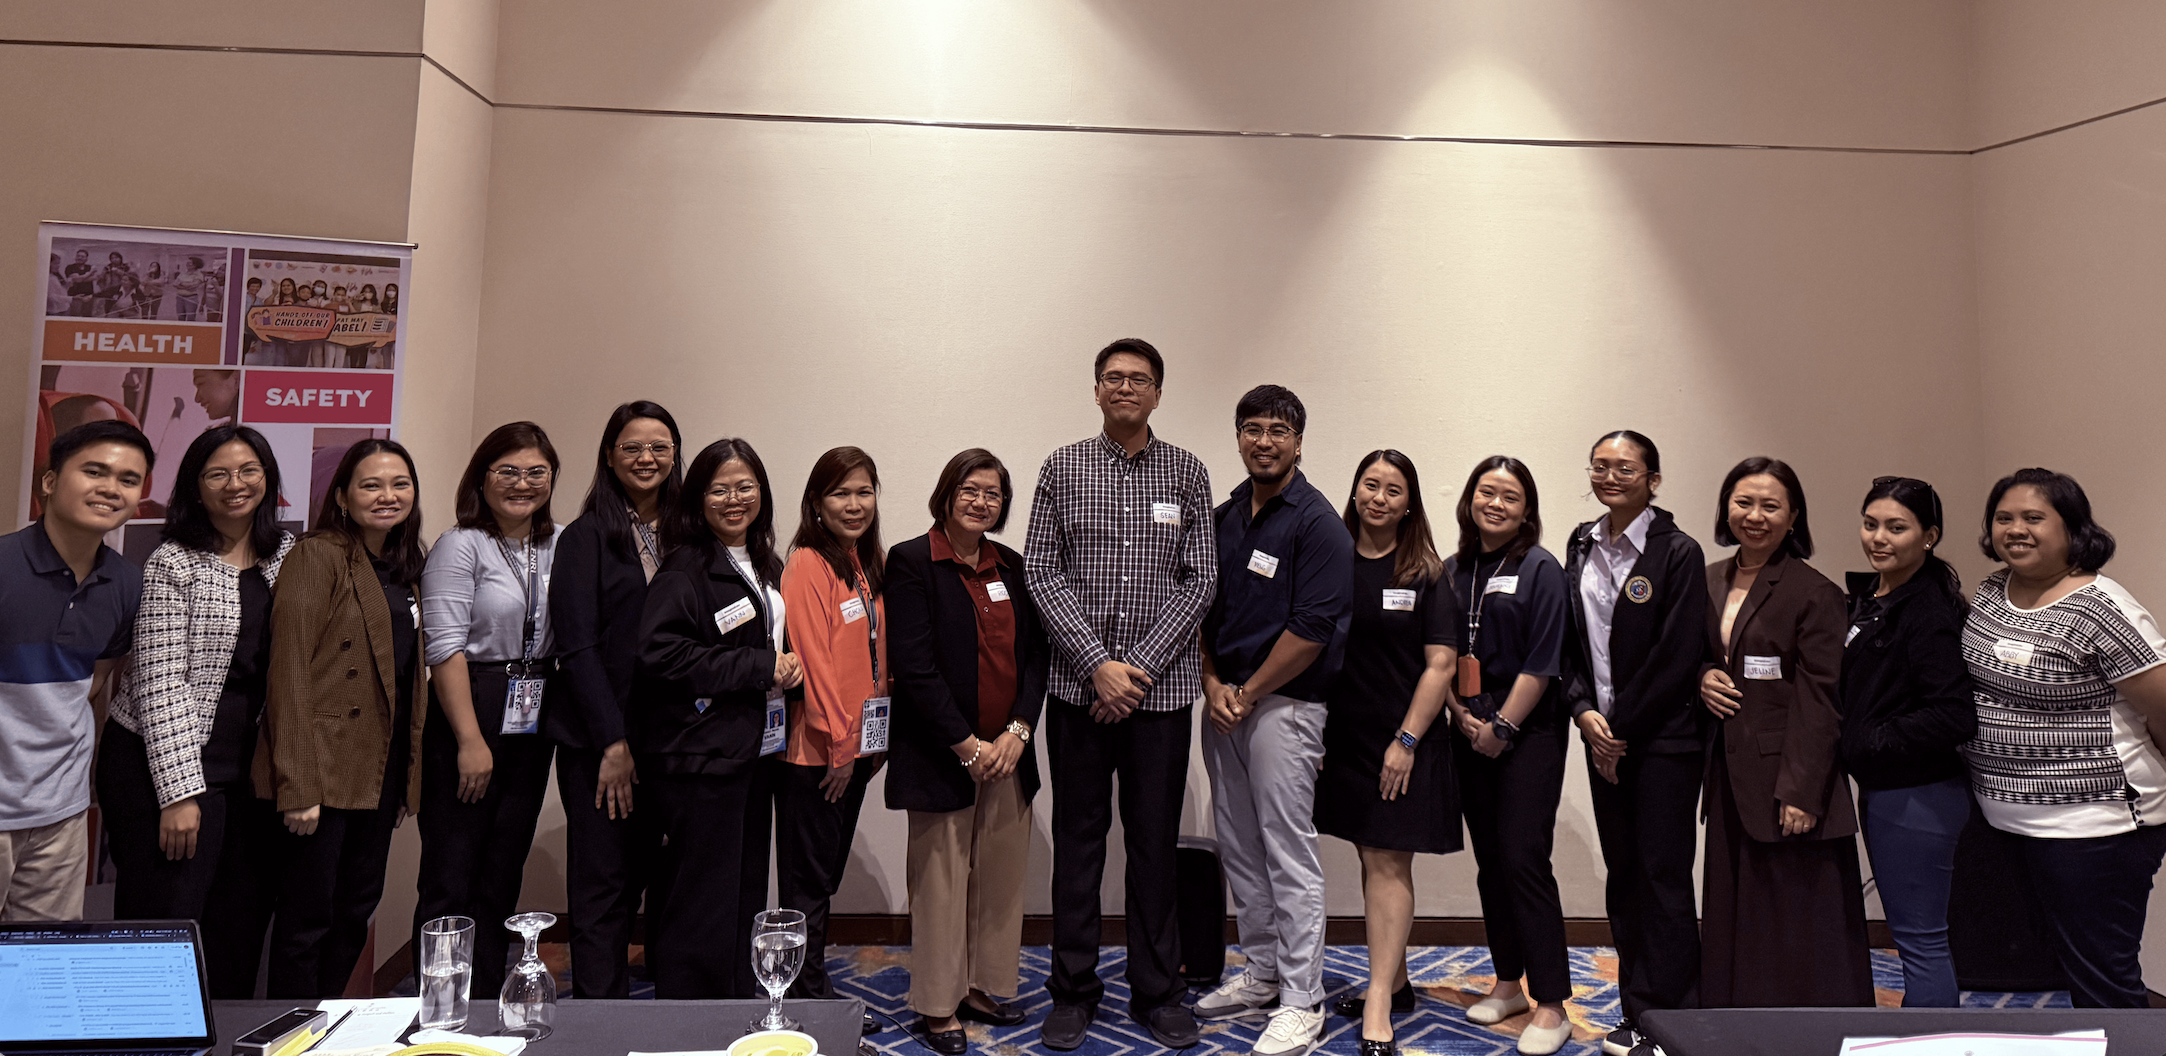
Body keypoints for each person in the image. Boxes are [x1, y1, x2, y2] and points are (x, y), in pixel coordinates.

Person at [1023, 338, 1216, 1051]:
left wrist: (1132, 669)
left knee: (1154, 845)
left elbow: (1201, 578)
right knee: (1078, 845)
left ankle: (1158, 990)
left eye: (1139, 379)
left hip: (1159, 698)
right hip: (1078, 694)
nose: (1125, 387)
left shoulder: (1187, 471)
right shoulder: (1062, 467)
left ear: (1158, 393)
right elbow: (1041, 570)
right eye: (1113, 377)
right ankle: (1073, 990)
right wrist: (1096, 665)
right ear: (1097, 389)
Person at [1962, 468, 2166, 1008]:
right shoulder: (1993, 591)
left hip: (2096, 828)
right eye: (2003, 518)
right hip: (2008, 821)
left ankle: (2127, 1046)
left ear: (2073, 528)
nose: (2015, 529)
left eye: (2033, 518)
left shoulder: (2102, 609)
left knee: (2102, 979)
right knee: (2046, 970)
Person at [99, 426, 289, 995]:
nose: (236, 484)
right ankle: (146, 1031)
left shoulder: (287, 555)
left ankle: (225, 1032)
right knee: (165, 920)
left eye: (249, 470)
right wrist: (180, 795)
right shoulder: (173, 561)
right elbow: (159, 683)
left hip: (249, 776)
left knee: (240, 925)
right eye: (218, 474)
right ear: (195, 487)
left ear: (267, 478)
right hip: (160, 765)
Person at [1192, 385, 1351, 1056]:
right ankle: (1261, 972)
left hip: (1284, 706)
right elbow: (1201, 611)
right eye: (1253, 429)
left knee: (1287, 852)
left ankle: (1302, 1000)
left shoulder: (1318, 524)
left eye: (1278, 431)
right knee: (1238, 844)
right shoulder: (1225, 516)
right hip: (1224, 705)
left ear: (1298, 442)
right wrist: (1212, 685)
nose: (1264, 441)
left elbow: (1312, 630)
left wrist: (1248, 692)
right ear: (1238, 437)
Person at [884, 449, 1051, 1054]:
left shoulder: (1012, 565)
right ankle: (937, 1006)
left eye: (993, 494)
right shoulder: (911, 562)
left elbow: (1035, 658)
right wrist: (967, 745)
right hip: (942, 753)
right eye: (970, 490)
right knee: (941, 885)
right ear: (947, 494)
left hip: (1007, 753)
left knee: (1001, 881)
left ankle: (984, 987)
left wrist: (1018, 732)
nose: (982, 502)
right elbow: (915, 665)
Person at [1695, 458, 1871, 1007]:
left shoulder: (1813, 591)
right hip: (1727, 770)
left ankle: (1806, 1027)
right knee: (1734, 907)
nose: (1755, 516)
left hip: (1788, 779)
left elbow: (1821, 698)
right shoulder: (1709, 578)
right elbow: (1695, 653)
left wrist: (1801, 789)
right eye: (1744, 502)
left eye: (1771, 506)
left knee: (1796, 915)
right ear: (1726, 508)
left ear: (1793, 516)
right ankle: (1736, 1018)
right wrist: (1702, 676)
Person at [259, 439, 427, 998]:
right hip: (323, 771)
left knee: (355, 910)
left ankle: (329, 1021)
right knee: (308, 918)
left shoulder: (406, 565)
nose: (387, 496)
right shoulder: (318, 555)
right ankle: (293, 1028)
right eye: (370, 485)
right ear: (341, 496)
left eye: (400, 484)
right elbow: (288, 671)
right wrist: (298, 785)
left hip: (379, 769)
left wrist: (406, 778)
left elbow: (406, 678)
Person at [1558, 430, 1706, 1056]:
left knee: (1663, 877)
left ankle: (1675, 1019)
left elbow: (1678, 655)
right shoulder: (1581, 543)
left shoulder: (1678, 551)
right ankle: (1636, 1010)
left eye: (1625, 467)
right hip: (1603, 739)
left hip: (1663, 743)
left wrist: (1618, 731)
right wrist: (1583, 712)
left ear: (1653, 479)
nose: (1610, 476)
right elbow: (1571, 642)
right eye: (1600, 465)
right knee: (1624, 877)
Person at [633, 438, 798, 998]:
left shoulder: (765, 562)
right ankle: (689, 1020)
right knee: (701, 900)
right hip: (700, 756)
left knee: (742, 891)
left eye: (745, 487)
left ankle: (732, 1007)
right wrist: (759, 666)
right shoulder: (687, 567)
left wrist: (785, 666)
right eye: (719, 489)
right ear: (698, 499)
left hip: (752, 751)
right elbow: (660, 654)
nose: (734, 499)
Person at [1309, 451, 1459, 1055]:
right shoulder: (1331, 561)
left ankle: (1378, 1004)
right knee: (1370, 855)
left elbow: (1441, 665)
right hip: (1345, 737)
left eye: (1393, 490)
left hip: (1405, 739)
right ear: (1355, 491)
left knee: (1389, 861)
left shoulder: (1426, 572)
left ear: (1409, 504)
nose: (1379, 497)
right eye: (1370, 485)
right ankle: (1394, 984)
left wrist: (1406, 741)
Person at [412, 423, 561, 1000]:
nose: (523, 484)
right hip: (471, 705)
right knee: (452, 874)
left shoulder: (559, 543)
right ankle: (439, 1004)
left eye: (536, 472)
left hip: (534, 707)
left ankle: (486, 998)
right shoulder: (461, 544)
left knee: (502, 869)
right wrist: (470, 740)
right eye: (508, 472)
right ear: (482, 478)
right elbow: (444, 647)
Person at [1441, 457, 1574, 1055]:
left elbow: (1544, 661)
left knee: (1524, 860)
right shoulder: (1454, 570)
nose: (1495, 503)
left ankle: (1552, 1002)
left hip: (1528, 732)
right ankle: (1507, 983)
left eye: (1510, 496)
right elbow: (1439, 654)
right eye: (1486, 492)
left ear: (1527, 510)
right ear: (1470, 499)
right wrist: (1458, 712)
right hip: (1468, 728)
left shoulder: (1541, 568)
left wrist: (1502, 725)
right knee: (1490, 862)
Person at [547, 402, 680, 998]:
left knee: (659, 875)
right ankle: (599, 1016)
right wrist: (613, 742)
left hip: (672, 739)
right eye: (632, 447)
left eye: (659, 447)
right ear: (609, 455)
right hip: (601, 743)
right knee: (604, 885)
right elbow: (576, 649)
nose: (646, 458)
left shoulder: (687, 533)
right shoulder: (585, 537)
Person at [0, 421, 151, 920]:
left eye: (128, 480)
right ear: (49, 481)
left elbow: (90, 684)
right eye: (94, 471)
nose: (111, 488)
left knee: (45, 961)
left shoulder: (126, 583)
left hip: (61, 815)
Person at [1840, 476, 1974, 1008]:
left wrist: (1867, 740)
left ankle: (1933, 1041)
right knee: (1912, 938)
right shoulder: (1873, 597)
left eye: (1896, 528)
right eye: (1870, 524)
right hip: (1887, 788)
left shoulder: (1926, 612)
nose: (1879, 538)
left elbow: (1952, 715)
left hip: (1917, 795)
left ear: (1929, 536)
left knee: (1921, 942)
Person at [778, 446, 890, 1000]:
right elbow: (815, 663)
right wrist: (843, 748)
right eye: (840, 493)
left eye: (864, 492)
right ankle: (804, 996)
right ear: (816, 503)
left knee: (824, 878)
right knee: (809, 883)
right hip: (819, 753)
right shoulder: (807, 562)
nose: (854, 504)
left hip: (855, 749)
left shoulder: (864, 561)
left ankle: (808, 985)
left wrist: (874, 742)